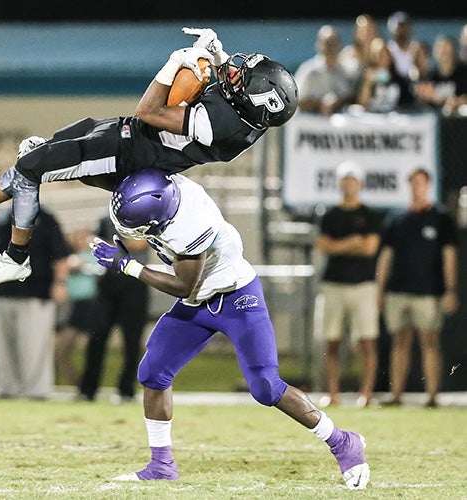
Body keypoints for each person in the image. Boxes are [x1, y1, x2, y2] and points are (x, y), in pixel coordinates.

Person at [0, 27, 299, 288]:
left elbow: (150, 111)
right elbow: (229, 82)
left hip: (131, 154)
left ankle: (15, 257)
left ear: (253, 101)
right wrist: (217, 54)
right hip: (127, 135)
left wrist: (173, 63)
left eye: (243, 79)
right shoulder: (248, 114)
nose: (235, 72)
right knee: (41, 154)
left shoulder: (222, 123)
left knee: (32, 168)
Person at [89, 168, 369, 489]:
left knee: (266, 386)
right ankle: (161, 464)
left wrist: (128, 265)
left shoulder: (193, 224)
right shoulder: (165, 189)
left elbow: (182, 285)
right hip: (199, 300)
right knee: (153, 373)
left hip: (236, 297)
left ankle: (343, 442)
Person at [376, 167, 459, 408]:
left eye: (421, 183)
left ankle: (432, 395)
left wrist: (450, 289)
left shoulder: (440, 218)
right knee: (399, 342)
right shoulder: (397, 218)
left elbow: (449, 256)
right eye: (413, 183)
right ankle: (396, 394)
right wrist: (380, 289)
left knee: (429, 341)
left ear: (428, 185)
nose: (417, 187)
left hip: (428, 292)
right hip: (398, 290)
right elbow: (386, 256)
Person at [315, 161, 382, 408]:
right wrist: (351, 242)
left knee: (366, 341)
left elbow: (369, 248)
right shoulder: (330, 215)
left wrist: (339, 245)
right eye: (345, 180)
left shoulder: (370, 215)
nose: (348, 185)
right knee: (331, 341)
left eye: (353, 180)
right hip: (334, 284)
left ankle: (366, 393)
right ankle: (333, 393)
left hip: (363, 285)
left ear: (360, 184)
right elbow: (324, 246)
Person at [0, 206, 70, 399]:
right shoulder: (2, 219)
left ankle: (37, 390)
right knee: (4, 345)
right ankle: (8, 388)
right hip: (2, 291)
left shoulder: (46, 219)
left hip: (36, 292)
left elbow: (60, 255)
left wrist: (60, 283)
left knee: (35, 346)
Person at [78, 214, 150, 403]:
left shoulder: (146, 216)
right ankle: (88, 389)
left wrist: (113, 246)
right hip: (108, 282)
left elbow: (141, 244)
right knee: (97, 337)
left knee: (132, 341)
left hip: (135, 283)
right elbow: (93, 243)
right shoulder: (106, 218)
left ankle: (126, 390)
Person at [54, 227, 101, 386]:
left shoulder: (94, 257)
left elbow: (100, 270)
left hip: (89, 306)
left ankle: (87, 384)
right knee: (61, 351)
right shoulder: (69, 258)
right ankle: (79, 384)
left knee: (87, 348)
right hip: (72, 306)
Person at [294, 24, 358, 115]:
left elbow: (352, 95)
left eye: (333, 42)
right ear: (318, 45)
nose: (330, 47)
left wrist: (337, 101)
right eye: (327, 43)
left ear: (340, 44)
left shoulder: (348, 70)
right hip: (309, 124)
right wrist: (320, 103)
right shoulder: (308, 70)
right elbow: (296, 100)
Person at [356, 37, 418, 113]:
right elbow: (362, 103)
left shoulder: (399, 80)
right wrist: (368, 83)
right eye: (377, 55)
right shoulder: (366, 79)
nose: (381, 59)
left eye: (384, 54)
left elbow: (407, 103)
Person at [413, 34, 467, 116]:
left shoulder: (463, 73)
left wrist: (458, 101)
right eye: (440, 49)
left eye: (447, 49)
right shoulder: (431, 76)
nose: (443, 53)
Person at [386, 11, 417, 80]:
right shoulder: (387, 50)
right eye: (399, 27)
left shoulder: (416, 49)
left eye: (404, 27)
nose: (401, 31)